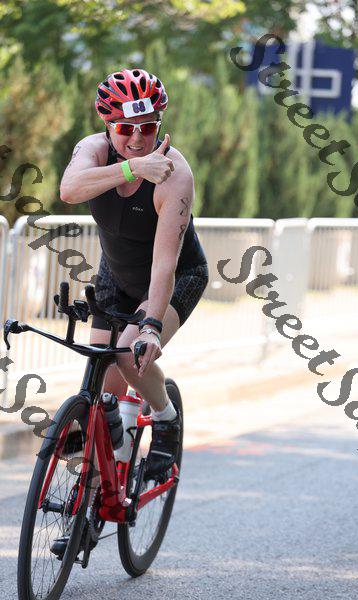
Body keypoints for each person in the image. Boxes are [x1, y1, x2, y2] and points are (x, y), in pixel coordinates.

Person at [60, 68, 209, 480]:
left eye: (148, 127)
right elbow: (69, 190)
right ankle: (95, 496)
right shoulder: (93, 149)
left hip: (175, 276)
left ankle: (165, 416)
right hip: (116, 275)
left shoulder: (175, 173)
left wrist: (150, 328)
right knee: (101, 390)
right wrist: (133, 169)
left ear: (159, 123)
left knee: (129, 355)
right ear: (108, 126)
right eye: (126, 128)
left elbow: (164, 263)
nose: (138, 139)